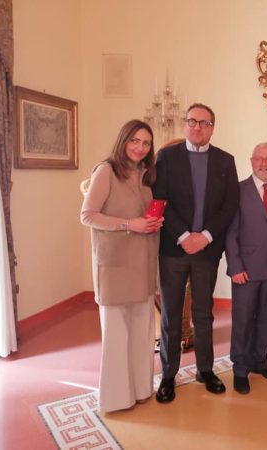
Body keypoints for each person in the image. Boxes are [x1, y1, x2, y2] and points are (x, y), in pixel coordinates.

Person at [152, 103, 239, 402]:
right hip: (172, 249)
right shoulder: (167, 157)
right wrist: (184, 236)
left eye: (204, 123)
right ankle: (168, 374)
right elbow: (160, 199)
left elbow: (230, 205)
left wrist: (205, 237)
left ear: (212, 128)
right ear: (185, 124)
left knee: (203, 314)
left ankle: (205, 370)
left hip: (206, 251)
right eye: (192, 121)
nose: (197, 127)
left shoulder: (225, 161)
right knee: (171, 315)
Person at [80, 119, 163, 413]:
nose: (140, 148)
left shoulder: (146, 175)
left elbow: (142, 215)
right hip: (115, 265)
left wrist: (153, 223)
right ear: (123, 140)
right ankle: (116, 398)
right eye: (135, 141)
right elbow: (88, 215)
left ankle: (141, 389)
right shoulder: (106, 171)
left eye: (146, 143)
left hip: (143, 263)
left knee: (142, 334)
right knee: (117, 336)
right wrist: (129, 224)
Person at [225, 143, 267, 394]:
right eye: (259, 159)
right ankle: (240, 368)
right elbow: (230, 232)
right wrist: (235, 266)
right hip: (246, 270)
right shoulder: (238, 191)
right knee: (243, 321)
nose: (264, 163)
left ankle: (260, 361)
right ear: (251, 161)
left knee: (266, 318)